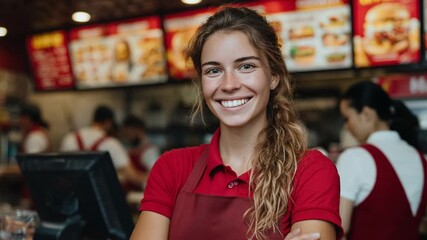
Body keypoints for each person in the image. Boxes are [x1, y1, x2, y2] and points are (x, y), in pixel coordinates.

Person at [131, 7, 342, 240]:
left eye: (246, 66)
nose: (229, 84)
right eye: (213, 70)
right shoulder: (171, 168)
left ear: (273, 76)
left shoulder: (311, 171)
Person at [336, 80, 427, 240]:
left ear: (366, 114)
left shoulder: (354, 158)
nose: (346, 127)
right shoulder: (419, 157)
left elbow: (340, 228)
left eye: (347, 118)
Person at [60, 105, 144, 187]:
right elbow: (132, 176)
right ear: (108, 122)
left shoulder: (69, 138)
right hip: (99, 196)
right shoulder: (111, 143)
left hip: (72, 195)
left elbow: (61, 171)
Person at [121, 115, 160, 190]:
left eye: (128, 133)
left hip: (141, 194)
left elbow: (154, 176)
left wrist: (133, 176)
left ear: (137, 130)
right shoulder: (130, 148)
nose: (127, 136)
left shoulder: (150, 150)